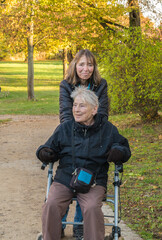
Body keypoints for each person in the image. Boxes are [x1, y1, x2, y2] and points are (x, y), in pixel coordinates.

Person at [36, 87, 131, 240]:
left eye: (82, 106)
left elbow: (123, 147)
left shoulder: (107, 129)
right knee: (51, 204)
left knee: (92, 207)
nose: (76, 110)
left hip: (93, 180)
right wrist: (44, 152)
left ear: (94, 109)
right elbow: (47, 147)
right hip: (65, 179)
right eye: (75, 105)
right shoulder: (64, 128)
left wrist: (118, 151)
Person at [59, 49, 109, 238]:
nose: (85, 69)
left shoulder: (100, 85)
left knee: (87, 174)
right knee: (66, 176)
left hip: (96, 136)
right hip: (71, 135)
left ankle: (80, 224)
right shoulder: (66, 85)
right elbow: (65, 114)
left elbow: (102, 114)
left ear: (94, 67)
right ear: (75, 66)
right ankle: (60, 222)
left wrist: (91, 131)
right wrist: (78, 131)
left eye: (90, 64)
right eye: (81, 64)